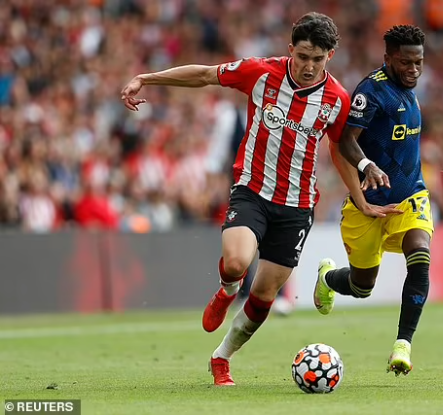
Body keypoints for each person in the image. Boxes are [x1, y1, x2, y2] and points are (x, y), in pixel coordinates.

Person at [120, 12, 350, 386]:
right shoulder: (261, 73)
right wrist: (147, 77)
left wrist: (361, 195)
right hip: (252, 191)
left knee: (264, 295)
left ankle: (221, 357)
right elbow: (204, 74)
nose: (309, 66)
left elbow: (341, 149)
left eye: (318, 59)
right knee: (237, 263)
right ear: (290, 49)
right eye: (302, 56)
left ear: (330, 56)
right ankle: (227, 289)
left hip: (297, 206)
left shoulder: (337, 99)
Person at [313, 25, 432, 376]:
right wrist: (367, 165)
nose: (413, 69)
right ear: (388, 59)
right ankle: (328, 277)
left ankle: (403, 345)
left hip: (410, 197)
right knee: (361, 286)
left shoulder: (409, 91)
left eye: (418, 62)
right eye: (405, 62)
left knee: (420, 257)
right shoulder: (372, 91)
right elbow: (345, 141)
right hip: (367, 205)